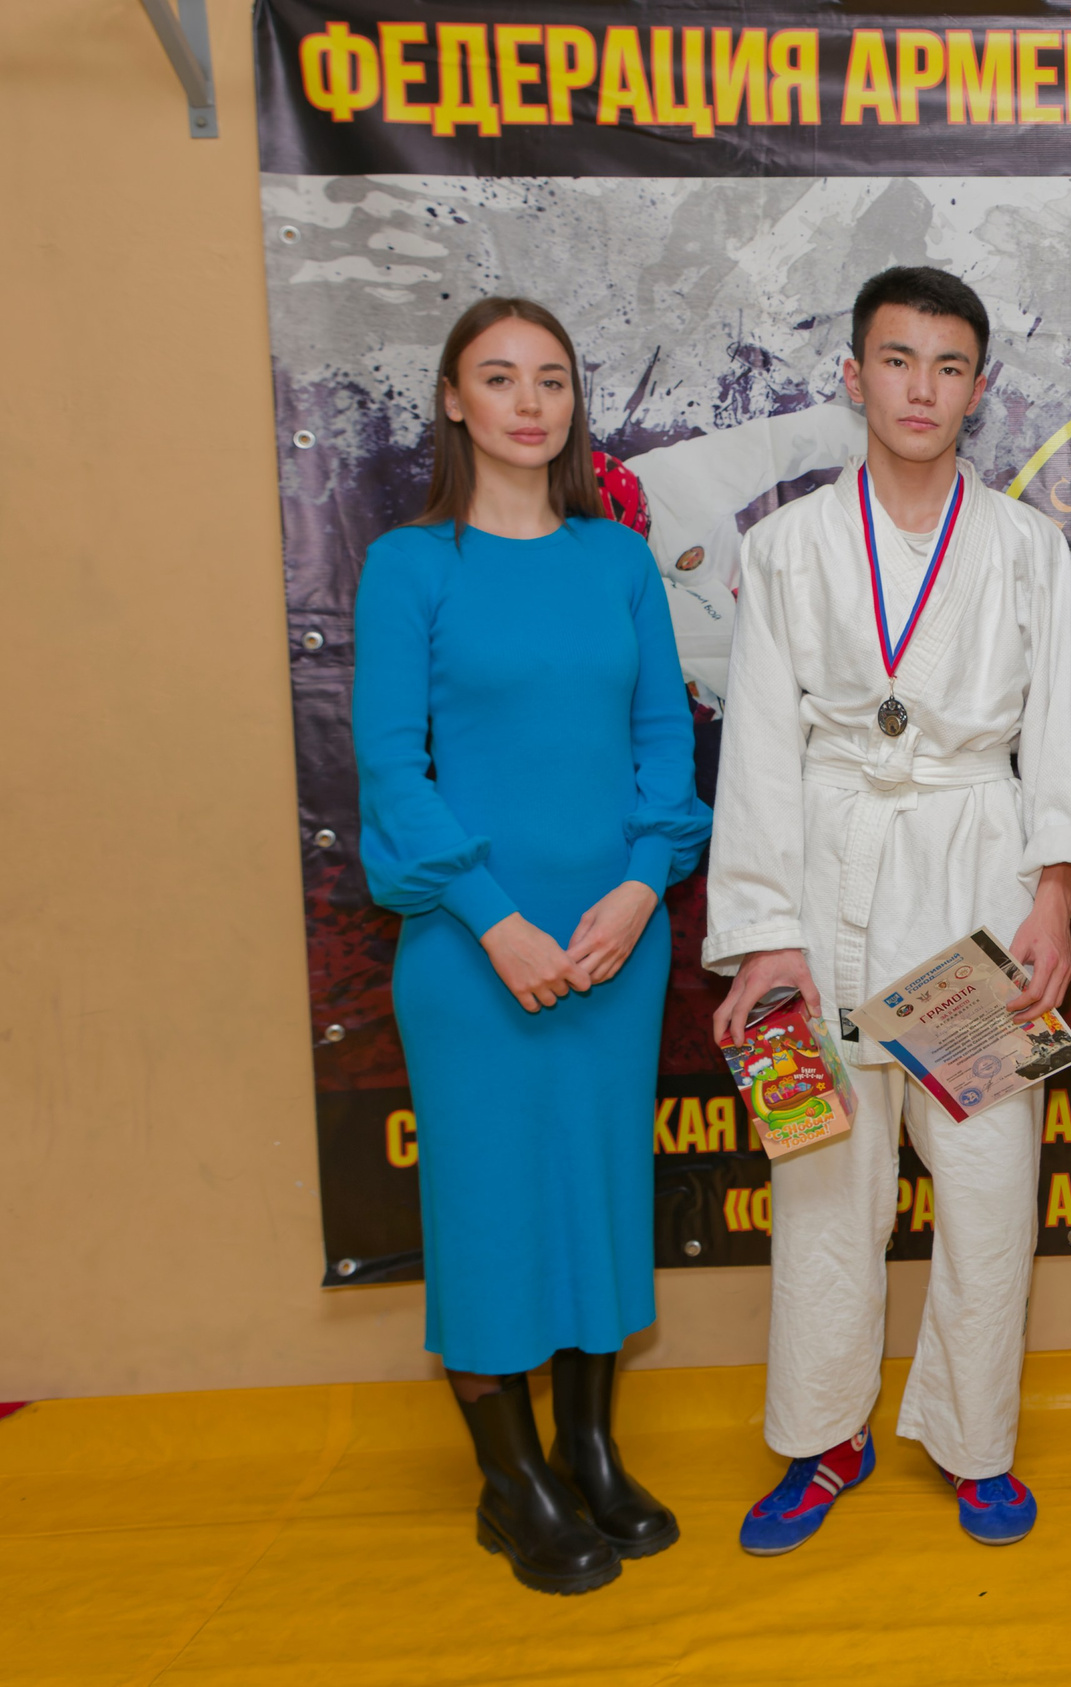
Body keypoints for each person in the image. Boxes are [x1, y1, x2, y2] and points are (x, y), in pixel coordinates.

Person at [704, 266, 1071, 1554]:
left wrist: (1052, 893)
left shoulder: (1027, 547)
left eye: (947, 365)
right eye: (897, 360)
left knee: (988, 1181)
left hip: (976, 873)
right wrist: (767, 929)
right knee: (826, 1177)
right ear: (853, 376)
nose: (921, 387)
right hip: (823, 871)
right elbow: (761, 746)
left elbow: (1060, 734)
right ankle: (827, 1438)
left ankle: (972, 1438)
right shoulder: (784, 548)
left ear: (979, 389)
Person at [353, 297, 713, 1595]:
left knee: (598, 1192)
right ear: (453, 398)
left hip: (616, 945)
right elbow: (394, 772)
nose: (527, 400)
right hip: (472, 949)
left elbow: (665, 746)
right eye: (498, 376)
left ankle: (593, 1452)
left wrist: (636, 887)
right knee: (492, 1207)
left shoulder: (618, 561)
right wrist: (496, 920)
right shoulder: (412, 565)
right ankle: (512, 1483)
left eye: (550, 378)